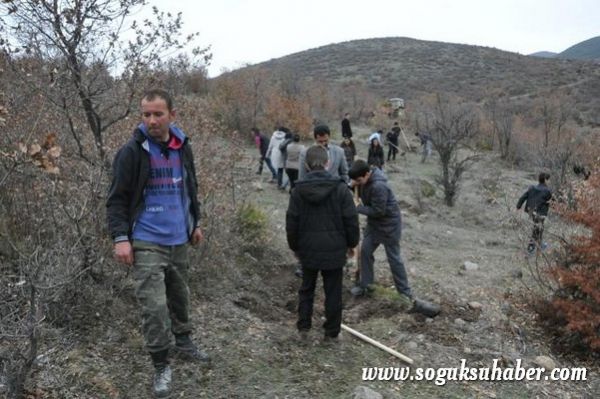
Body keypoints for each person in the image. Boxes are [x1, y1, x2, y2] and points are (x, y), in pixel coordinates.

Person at [106, 89, 210, 398]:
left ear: (172, 115)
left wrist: (195, 223)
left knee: (180, 296)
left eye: (158, 114)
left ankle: (184, 342)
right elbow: (116, 200)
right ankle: (161, 364)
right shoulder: (132, 152)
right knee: (154, 306)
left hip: (179, 237)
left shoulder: (183, 147)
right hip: (146, 240)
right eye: (146, 114)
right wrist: (121, 238)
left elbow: (190, 188)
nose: (151, 120)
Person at [286, 145, 360, 342]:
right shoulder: (342, 190)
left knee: (306, 289)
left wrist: (294, 247)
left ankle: (303, 329)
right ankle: (331, 333)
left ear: (307, 166)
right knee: (333, 291)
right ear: (328, 163)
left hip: (307, 248)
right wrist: (352, 244)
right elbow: (351, 220)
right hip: (335, 250)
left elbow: (292, 222)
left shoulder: (298, 191)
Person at [348, 160, 440, 317]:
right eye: (355, 180)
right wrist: (352, 185)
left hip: (389, 225)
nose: (356, 183)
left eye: (358, 180)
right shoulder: (363, 180)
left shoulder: (379, 186)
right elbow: (357, 185)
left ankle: (405, 293)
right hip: (374, 226)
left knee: (394, 259)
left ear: (367, 174)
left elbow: (378, 211)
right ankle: (366, 285)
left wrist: (358, 208)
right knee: (365, 251)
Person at [516, 172, 553, 254]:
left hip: (531, 211)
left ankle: (539, 245)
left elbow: (523, 197)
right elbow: (553, 201)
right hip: (540, 213)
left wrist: (518, 206)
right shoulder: (547, 191)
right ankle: (530, 249)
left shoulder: (532, 188)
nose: (549, 181)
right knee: (537, 229)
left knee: (539, 228)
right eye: (549, 179)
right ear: (545, 180)